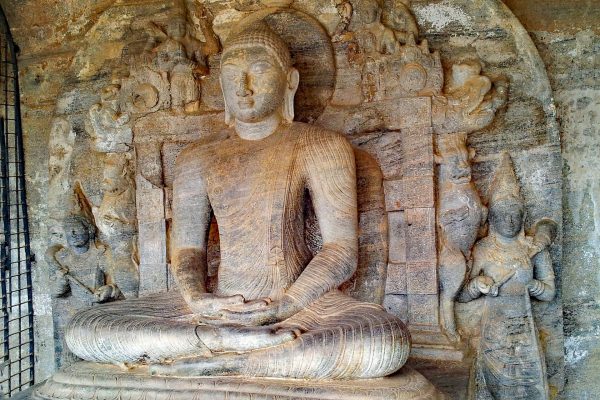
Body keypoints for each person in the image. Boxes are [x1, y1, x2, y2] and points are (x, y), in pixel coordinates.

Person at [65, 24, 410, 380]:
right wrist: (198, 299)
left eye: (259, 72)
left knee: (384, 342)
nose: (244, 89)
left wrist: (284, 305)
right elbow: (187, 250)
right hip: (214, 308)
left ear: (289, 82)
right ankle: (223, 342)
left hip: (300, 306)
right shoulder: (197, 158)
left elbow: (340, 249)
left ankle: (230, 359)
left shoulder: (320, 146)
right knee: (87, 327)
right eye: (233, 76)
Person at [458, 152, 555, 399]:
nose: (509, 220)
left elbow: (549, 292)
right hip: (494, 332)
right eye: (503, 214)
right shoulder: (483, 249)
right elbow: (461, 295)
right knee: (496, 386)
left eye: (515, 214)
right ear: (492, 217)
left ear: (523, 217)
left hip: (525, 330)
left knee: (527, 386)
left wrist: (532, 284)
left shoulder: (533, 249)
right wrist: (477, 285)